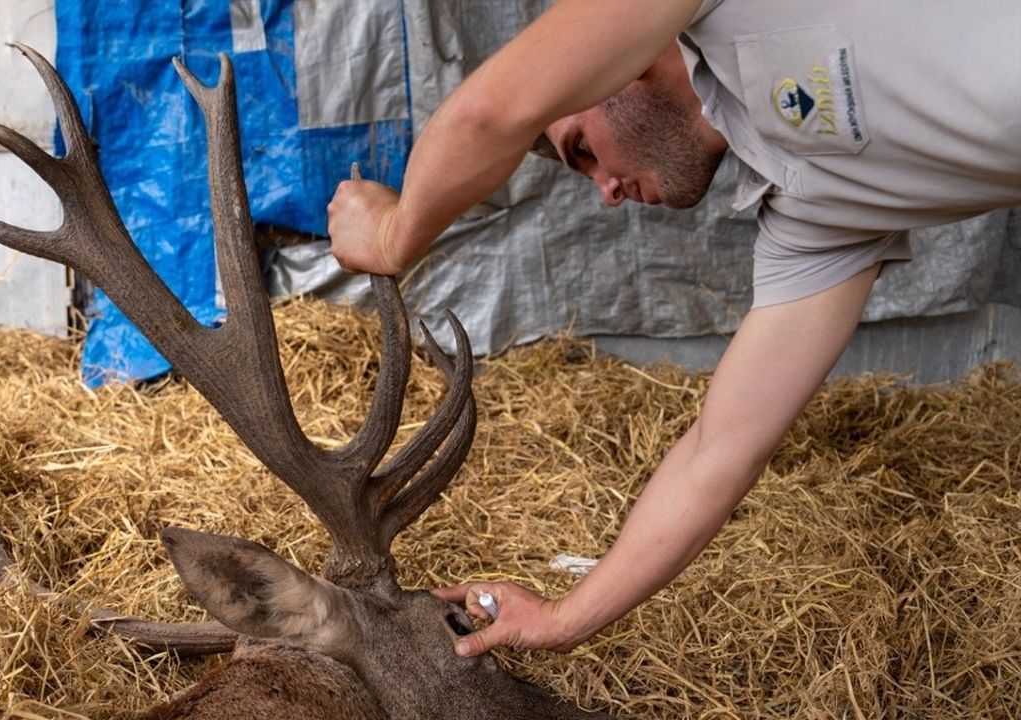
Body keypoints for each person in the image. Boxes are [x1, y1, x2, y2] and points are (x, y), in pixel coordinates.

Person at [326, 0, 1021, 658]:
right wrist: (566, 618)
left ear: (609, 68)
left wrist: (393, 233)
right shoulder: (816, 214)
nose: (606, 191)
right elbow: (718, 452)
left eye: (582, 151)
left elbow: (493, 112)